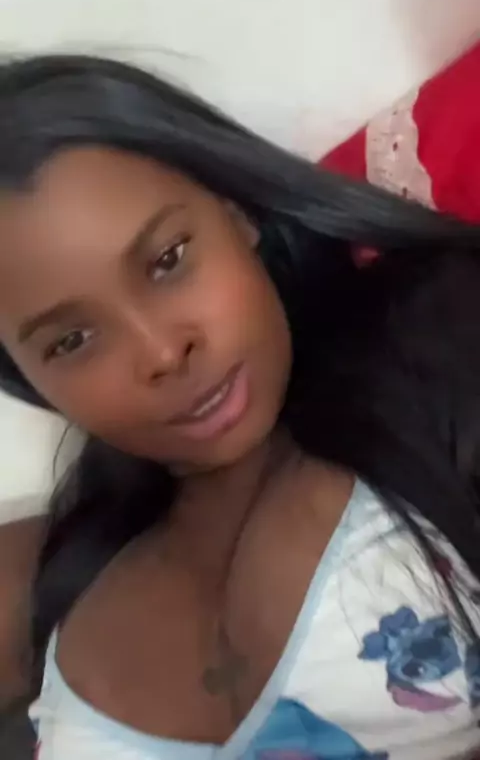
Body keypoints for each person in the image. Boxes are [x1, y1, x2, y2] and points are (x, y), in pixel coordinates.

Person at [0, 55, 480, 760]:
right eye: (71, 341)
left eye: (168, 260)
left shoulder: (440, 346)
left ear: (235, 211)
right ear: (31, 378)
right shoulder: (61, 570)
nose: (162, 353)